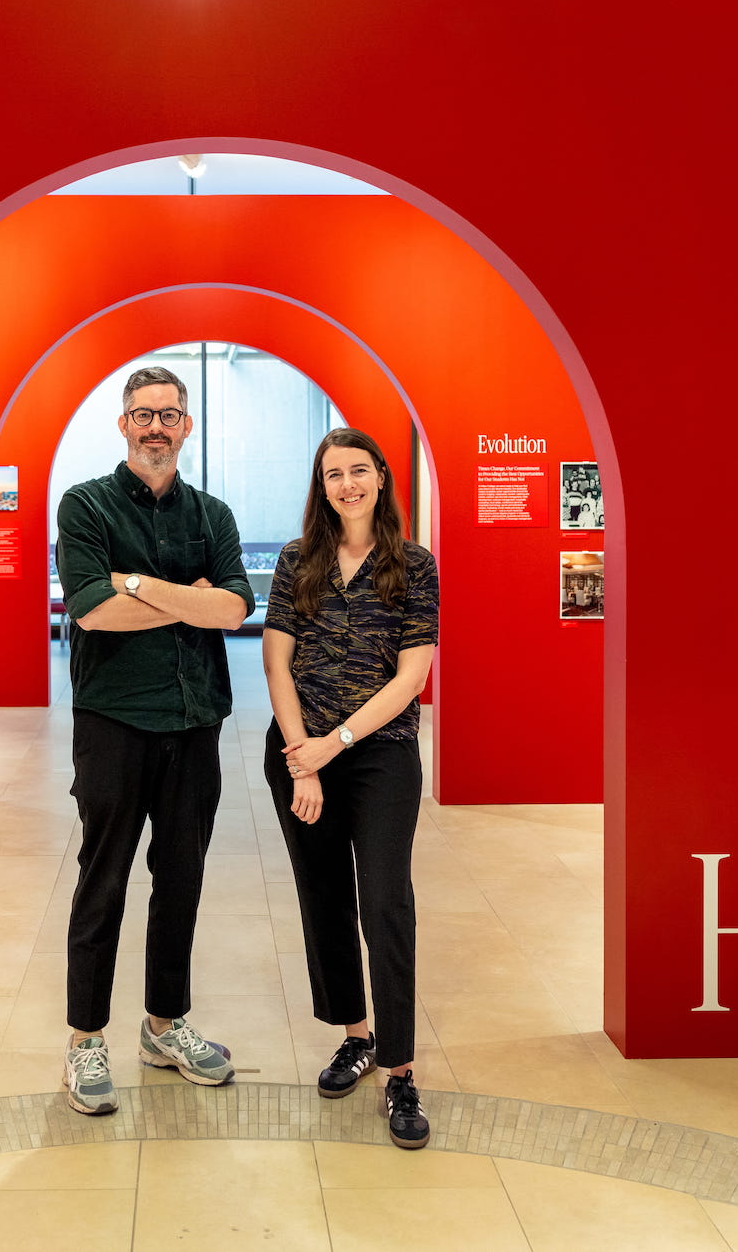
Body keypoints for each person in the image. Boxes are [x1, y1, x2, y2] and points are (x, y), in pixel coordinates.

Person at [55, 365, 255, 1115]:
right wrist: (190, 601)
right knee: (102, 879)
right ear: (123, 424)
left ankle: (163, 1025)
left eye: (169, 415)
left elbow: (236, 608)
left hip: (194, 722)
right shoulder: (87, 505)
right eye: (143, 415)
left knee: (181, 880)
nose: (156, 428)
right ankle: (85, 1041)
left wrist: (136, 583)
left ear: (186, 427)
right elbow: (91, 610)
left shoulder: (214, 515)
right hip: (113, 722)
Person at [261, 427, 439, 1149]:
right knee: (325, 896)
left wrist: (334, 747)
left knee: (386, 900)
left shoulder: (413, 565)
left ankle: (400, 1068)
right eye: (333, 474)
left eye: (357, 470)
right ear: (321, 486)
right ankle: (356, 1035)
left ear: (381, 478)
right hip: (302, 750)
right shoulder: (296, 561)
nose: (346, 484)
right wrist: (302, 759)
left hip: (380, 755)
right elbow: (277, 664)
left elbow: (412, 676)